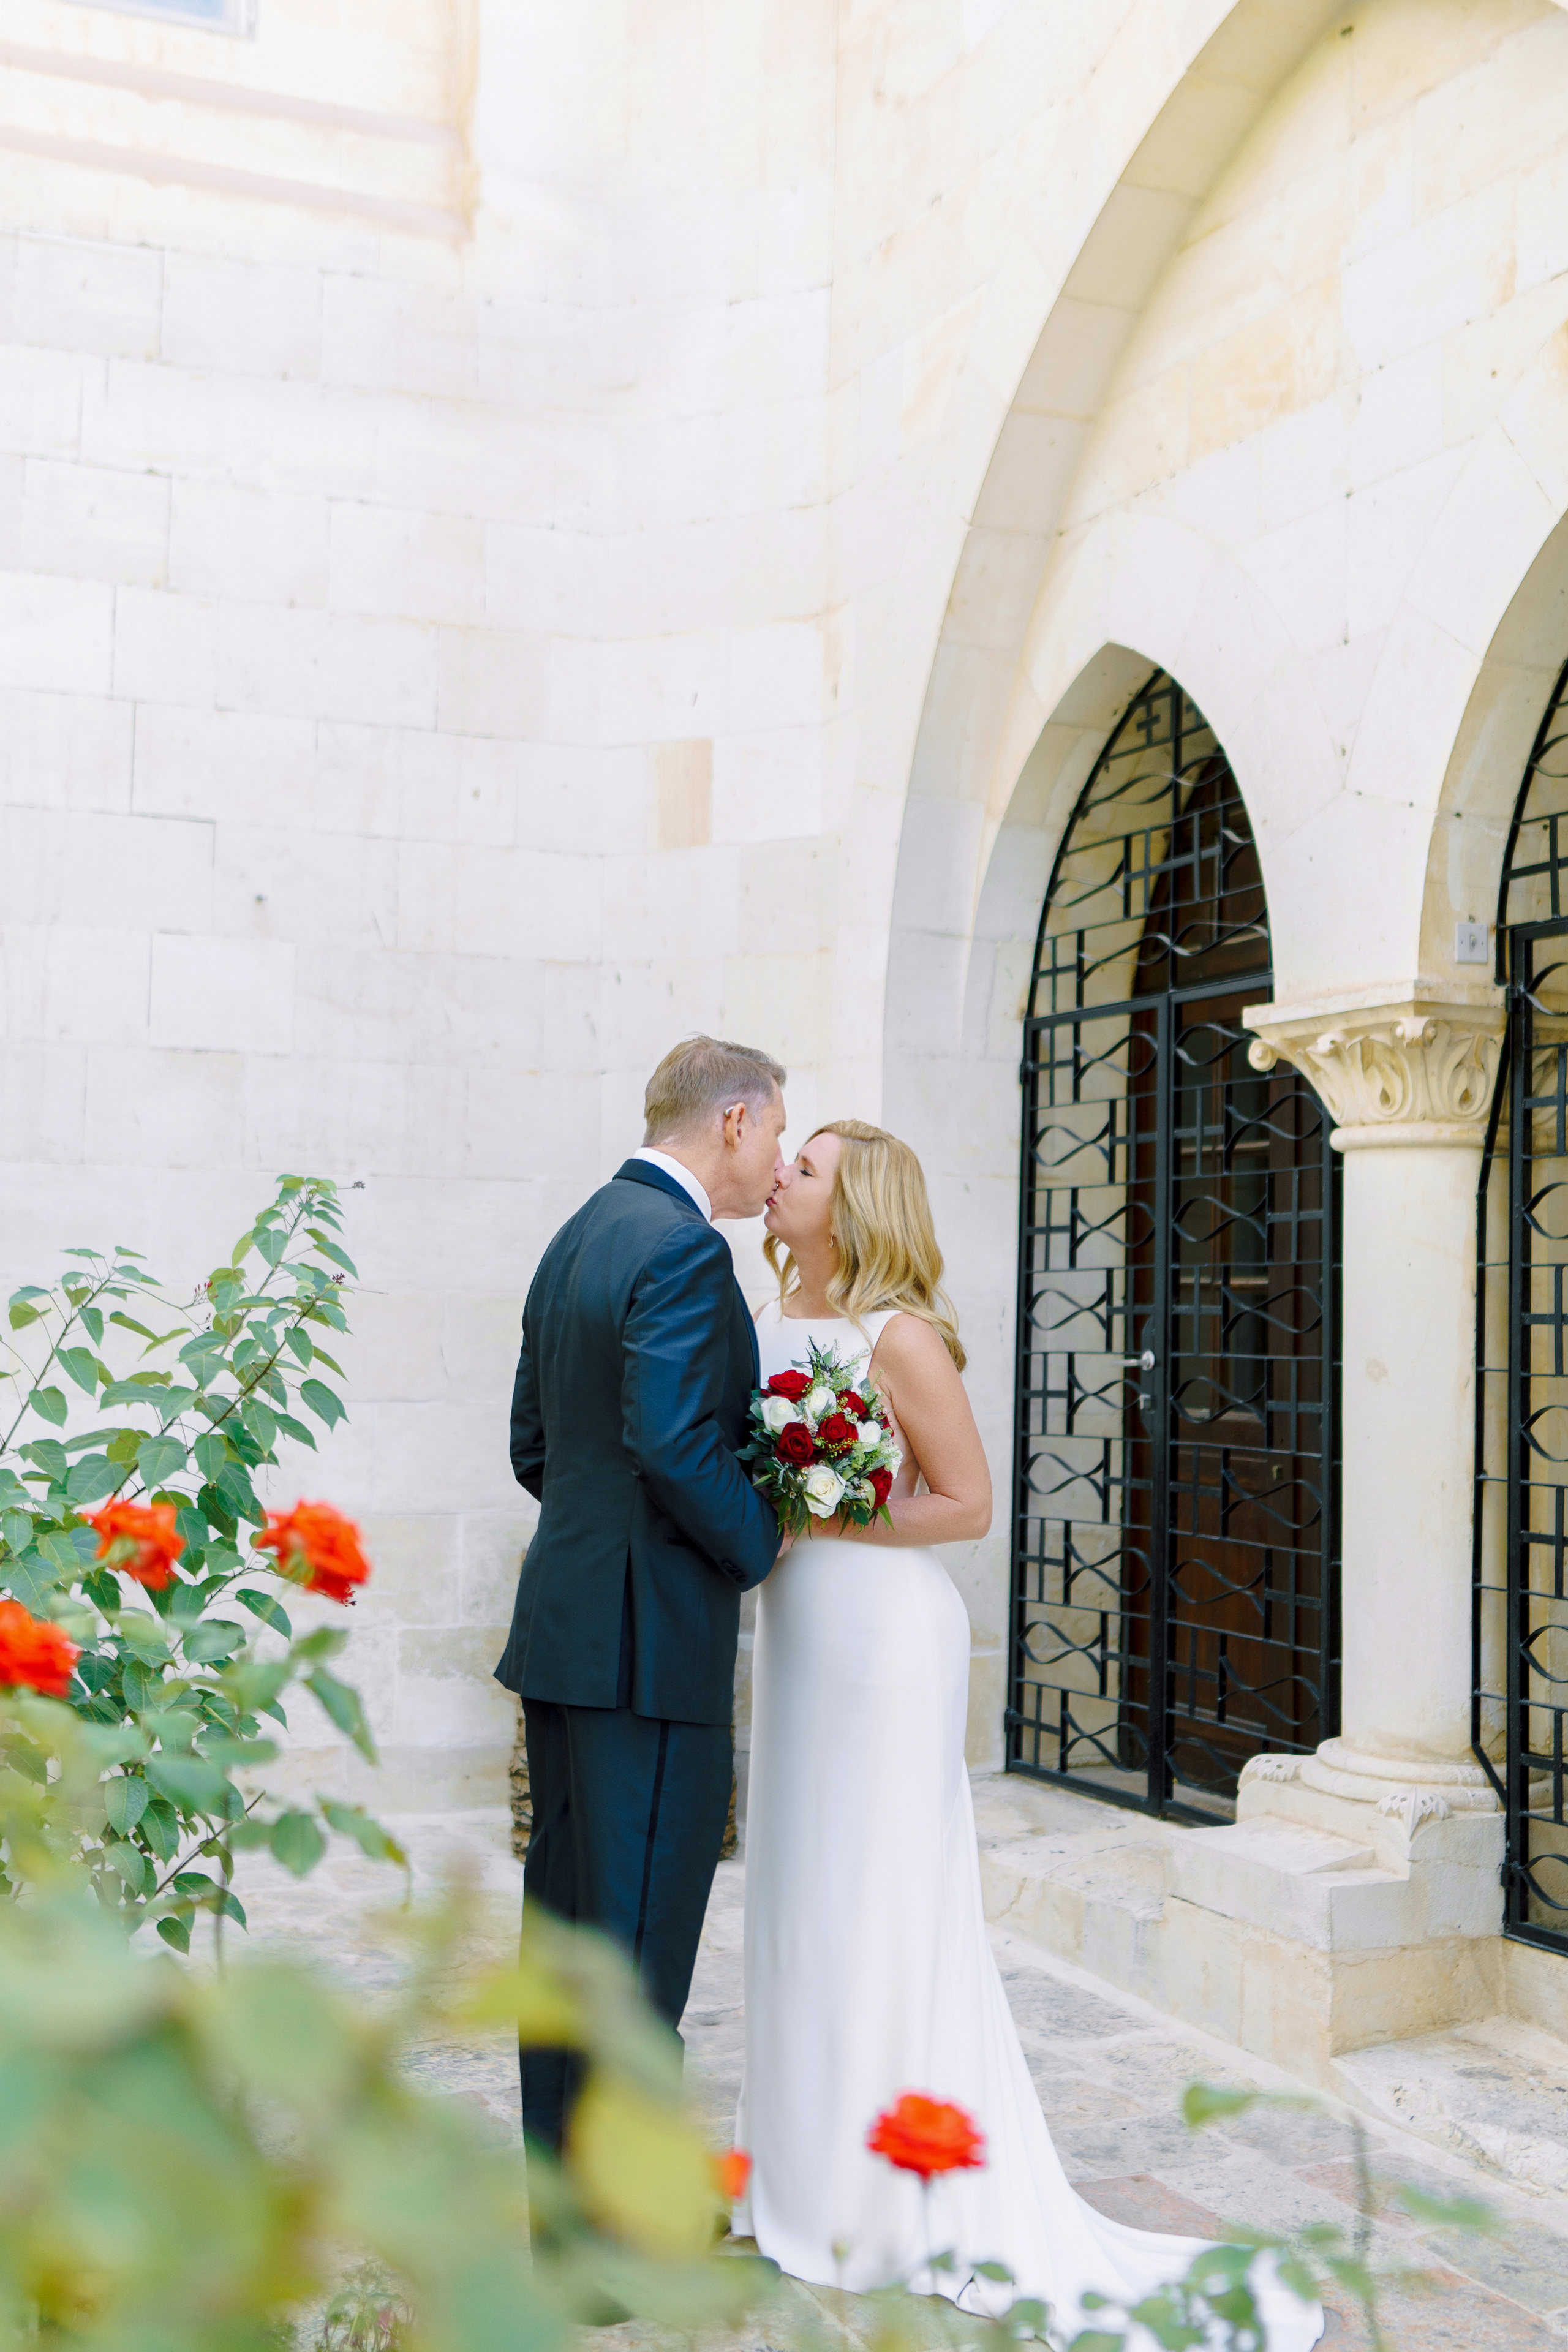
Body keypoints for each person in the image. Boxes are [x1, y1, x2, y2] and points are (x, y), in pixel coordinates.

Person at [737, 1118, 1323, 2350]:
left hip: (883, 1642)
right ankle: (805, 2172)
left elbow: (964, 1503)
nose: (779, 1172)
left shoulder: (896, 1335)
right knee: (801, 1898)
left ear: (854, 1206)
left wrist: (825, 1513)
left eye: (805, 1168)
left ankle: (893, 2197)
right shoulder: (768, 1306)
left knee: (881, 1899)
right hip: (797, 1638)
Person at [497, 1035, 788, 2152]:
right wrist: (757, 1540)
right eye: (772, 1132)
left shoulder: (578, 1235)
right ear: (732, 1121)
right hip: (646, 1655)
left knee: (569, 1947)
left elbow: (536, 1448)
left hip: (568, 1635)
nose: (773, 1161)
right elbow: (670, 1439)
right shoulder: (683, 1249)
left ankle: (570, 2234)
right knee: (637, 1956)